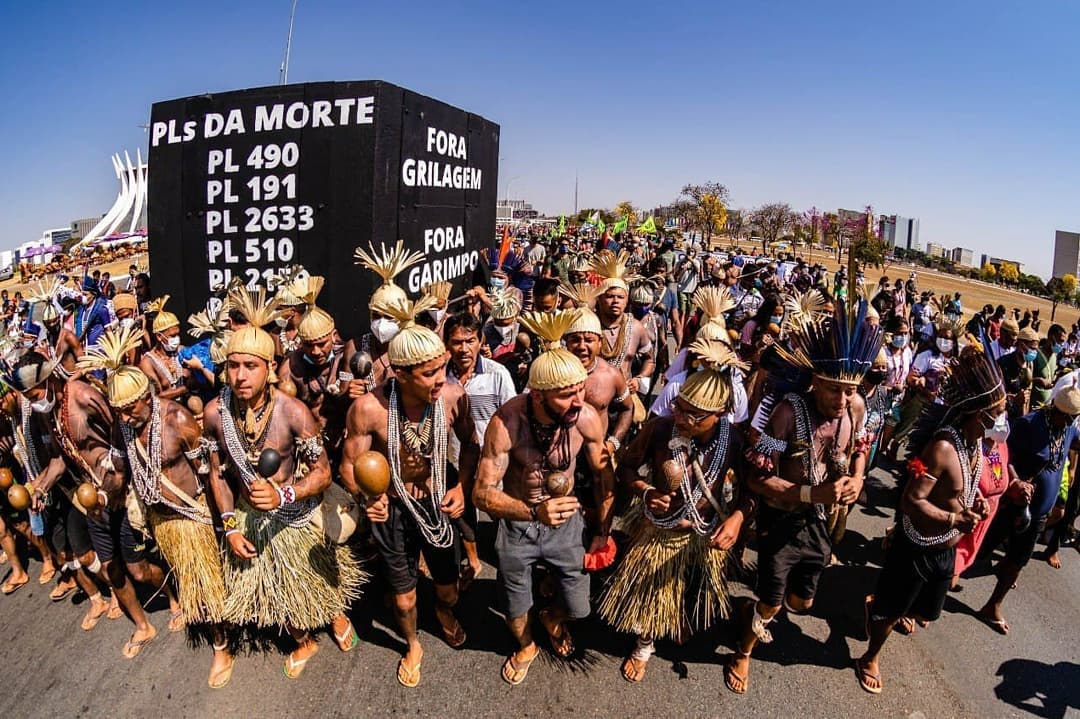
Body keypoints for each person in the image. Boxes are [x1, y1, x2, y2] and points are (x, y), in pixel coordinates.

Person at [729, 300, 881, 694]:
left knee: (802, 604)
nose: (842, 400)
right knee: (772, 606)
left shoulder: (852, 413)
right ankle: (742, 651)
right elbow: (759, 481)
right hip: (780, 521)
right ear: (815, 381)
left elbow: (860, 448)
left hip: (817, 525)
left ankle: (749, 611)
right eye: (834, 390)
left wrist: (858, 480)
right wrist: (815, 492)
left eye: (849, 391)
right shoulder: (787, 413)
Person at [204, 312, 364, 680]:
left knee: (319, 579)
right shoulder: (216, 414)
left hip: (295, 517)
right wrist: (230, 527)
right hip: (250, 518)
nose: (240, 376)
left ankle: (335, 614)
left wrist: (285, 493)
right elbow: (217, 473)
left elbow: (323, 473)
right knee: (280, 593)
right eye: (232, 366)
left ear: (270, 367)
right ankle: (304, 639)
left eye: (250, 366)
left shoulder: (293, 412)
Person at [79, 326, 234, 688]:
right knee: (196, 583)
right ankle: (223, 632)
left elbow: (209, 471)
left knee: (208, 583)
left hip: (193, 516)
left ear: (147, 396)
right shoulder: (125, 426)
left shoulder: (177, 420)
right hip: (162, 522)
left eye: (129, 407)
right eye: (118, 410)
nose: (125, 416)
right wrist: (105, 494)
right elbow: (119, 470)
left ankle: (222, 646)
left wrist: (221, 518)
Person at [341, 294, 479, 688]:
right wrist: (369, 497)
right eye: (428, 373)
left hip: (437, 504)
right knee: (404, 599)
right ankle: (413, 642)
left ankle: (444, 612)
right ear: (400, 374)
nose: (440, 379)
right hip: (394, 509)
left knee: (449, 590)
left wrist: (462, 486)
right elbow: (349, 465)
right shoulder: (370, 409)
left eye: (442, 369)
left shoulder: (452, 397)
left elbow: (471, 445)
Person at [473, 309, 615, 686]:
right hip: (519, 527)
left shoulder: (584, 418)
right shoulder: (507, 423)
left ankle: (552, 617)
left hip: (568, 528)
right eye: (567, 394)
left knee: (579, 608)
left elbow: (604, 478)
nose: (578, 400)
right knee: (514, 607)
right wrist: (533, 510)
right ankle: (525, 646)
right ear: (537, 394)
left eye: (580, 389)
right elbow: (481, 493)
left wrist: (602, 530)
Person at [600, 338, 753, 682]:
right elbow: (624, 469)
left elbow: (752, 493)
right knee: (651, 595)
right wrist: (646, 490)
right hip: (660, 532)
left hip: (704, 534)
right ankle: (644, 645)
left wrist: (737, 519)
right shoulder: (659, 428)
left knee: (693, 590)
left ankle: (680, 618)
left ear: (719, 415)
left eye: (692, 414)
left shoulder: (734, 441)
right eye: (679, 407)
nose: (679, 417)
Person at [859, 344, 1006, 693]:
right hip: (917, 546)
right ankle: (870, 656)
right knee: (893, 613)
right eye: (997, 412)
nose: (1001, 418)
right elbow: (912, 500)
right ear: (979, 414)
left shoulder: (974, 446)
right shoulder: (943, 448)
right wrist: (955, 521)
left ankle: (883, 608)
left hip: (945, 551)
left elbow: (963, 490)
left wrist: (979, 504)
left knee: (925, 613)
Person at [13, 350, 163, 658]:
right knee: (110, 568)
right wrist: (39, 487)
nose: (34, 400)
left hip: (119, 489)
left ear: (51, 379)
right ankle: (143, 625)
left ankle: (173, 595)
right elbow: (58, 459)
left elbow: (120, 428)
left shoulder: (82, 395)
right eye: (28, 396)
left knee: (139, 571)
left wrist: (116, 479)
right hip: (91, 498)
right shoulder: (47, 412)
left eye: (35, 393)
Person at [974, 384, 1080, 635]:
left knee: (1018, 561)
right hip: (1013, 505)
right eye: (1071, 417)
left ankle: (993, 606)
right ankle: (932, 592)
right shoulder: (1030, 424)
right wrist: (1015, 481)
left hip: (1037, 514)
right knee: (979, 548)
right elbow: (1001, 453)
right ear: (1062, 412)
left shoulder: (1066, 429)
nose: (1072, 421)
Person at [442, 311, 516, 587]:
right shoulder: (440, 378)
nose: (463, 348)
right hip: (453, 457)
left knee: (500, 513)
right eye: (457, 342)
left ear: (480, 340)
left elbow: (512, 419)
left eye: (470, 341)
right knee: (460, 509)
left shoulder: (497, 375)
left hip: (493, 462)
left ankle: (508, 565)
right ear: (447, 344)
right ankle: (471, 561)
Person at [347, 241, 428, 394]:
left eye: (389, 317)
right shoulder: (354, 347)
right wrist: (348, 394)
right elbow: (340, 393)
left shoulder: (415, 348)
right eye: (376, 316)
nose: (381, 323)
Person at [591, 250, 655, 396]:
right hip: (592, 397)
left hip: (624, 397)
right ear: (600, 299)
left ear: (627, 301)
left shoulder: (635, 328)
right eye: (610, 296)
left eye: (620, 297)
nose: (615, 301)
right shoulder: (590, 326)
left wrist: (639, 380)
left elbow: (650, 360)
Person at [139, 297, 190, 403]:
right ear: (159, 336)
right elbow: (157, 396)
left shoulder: (181, 351)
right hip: (166, 411)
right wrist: (184, 389)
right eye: (172, 336)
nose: (176, 339)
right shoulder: (148, 362)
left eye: (177, 334)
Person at [998, 326, 1038, 418]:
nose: (1034, 352)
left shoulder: (1030, 364)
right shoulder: (1004, 364)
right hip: (1004, 418)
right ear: (1020, 344)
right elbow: (996, 396)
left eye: (1036, 349)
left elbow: (1028, 394)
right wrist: (1013, 400)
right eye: (1031, 348)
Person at [1030, 324, 1065, 409]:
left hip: (1045, 407)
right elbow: (1024, 381)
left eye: (1063, 342)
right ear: (1051, 337)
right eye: (1060, 341)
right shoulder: (1035, 355)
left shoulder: (1054, 356)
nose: (1061, 344)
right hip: (1032, 406)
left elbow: (1050, 379)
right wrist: (1039, 380)